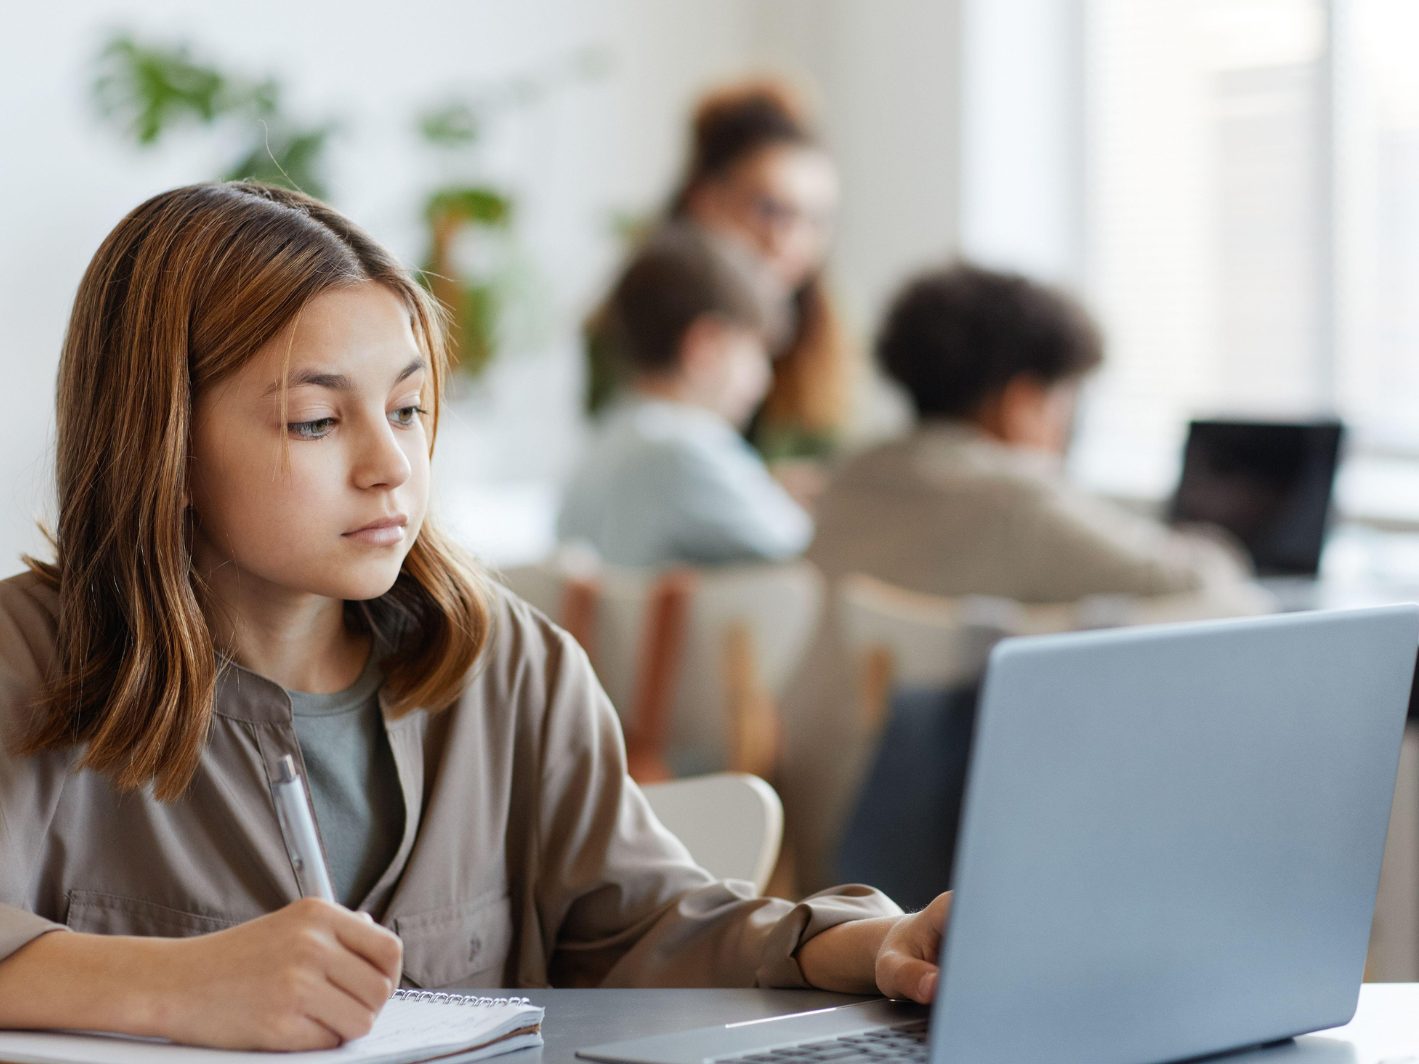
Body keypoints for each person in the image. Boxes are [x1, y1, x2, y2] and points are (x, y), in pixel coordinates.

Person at [0, 183, 952, 1053]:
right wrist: (174, 987)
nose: (390, 466)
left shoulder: (507, 664)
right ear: (161, 437)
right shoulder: (26, 665)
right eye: (317, 422)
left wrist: (872, 945)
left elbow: (645, 929)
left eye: (409, 408)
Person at [807, 261, 1261, 603]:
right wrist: (1215, 547)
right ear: (1021, 405)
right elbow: (1200, 587)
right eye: (1063, 401)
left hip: (814, 731)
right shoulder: (1012, 501)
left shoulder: (850, 476)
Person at [587, 78, 851, 467]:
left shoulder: (821, 338)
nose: (789, 240)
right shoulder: (627, 327)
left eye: (815, 220)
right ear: (704, 199)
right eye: (770, 210)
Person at [558, 222, 812, 567]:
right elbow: (804, 555)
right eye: (756, 354)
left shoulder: (609, 437)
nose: (764, 380)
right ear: (704, 348)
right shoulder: (688, 447)